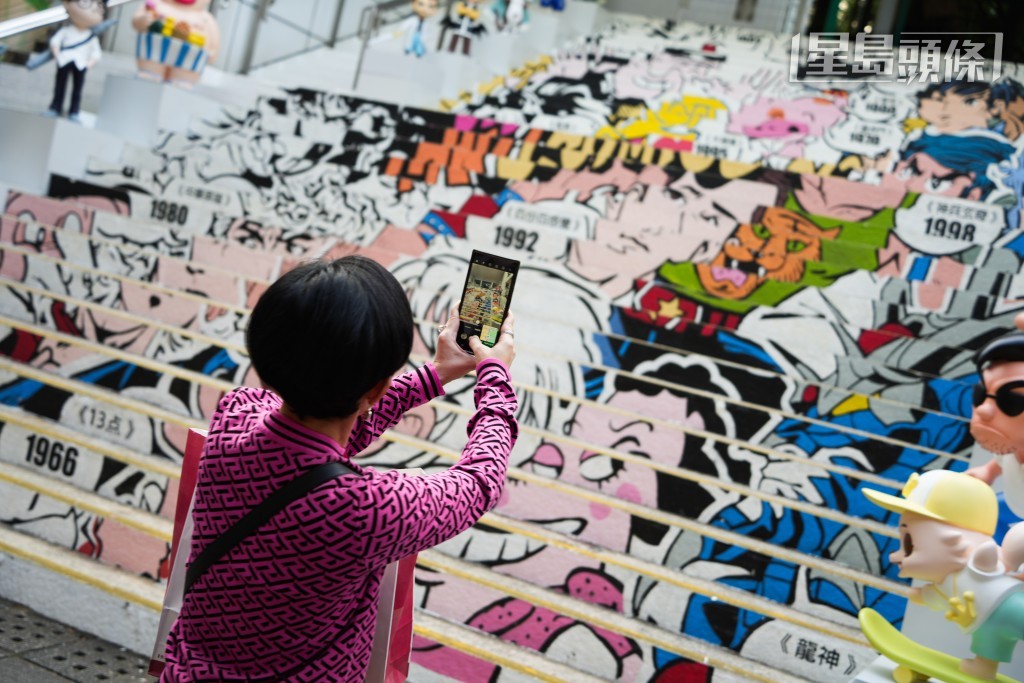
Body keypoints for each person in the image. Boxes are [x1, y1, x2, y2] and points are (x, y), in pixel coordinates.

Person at [160, 255, 518, 682]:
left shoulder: (236, 414)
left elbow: (325, 428)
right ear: (376, 385)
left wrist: (437, 374)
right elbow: (479, 482)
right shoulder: (367, 510)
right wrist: (495, 377)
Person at [46, 0, 105, 122]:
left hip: (80, 64)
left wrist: (88, 65)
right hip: (64, 61)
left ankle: (74, 111)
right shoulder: (66, 31)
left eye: (99, 6)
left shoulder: (90, 36)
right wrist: (58, 56)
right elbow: (54, 42)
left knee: (77, 90)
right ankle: (55, 107)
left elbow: (96, 53)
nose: (93, 9)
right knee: (60, 86)